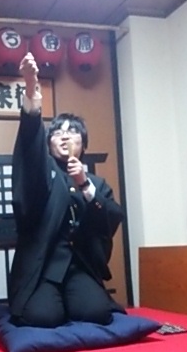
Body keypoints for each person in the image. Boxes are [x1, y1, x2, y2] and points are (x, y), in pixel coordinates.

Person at [8, 52, 125, 328]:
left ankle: (74, 299)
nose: (64, 136)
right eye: (57, 132)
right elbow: (31, 143)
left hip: (80, 265)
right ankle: (51, 300)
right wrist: (31, 91)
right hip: (44, 265)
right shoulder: (42, 170)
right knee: (42, 317)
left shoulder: (96, 183)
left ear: (83, 144)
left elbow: (110, 218)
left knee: (97, 313)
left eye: (72, 132)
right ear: (48, 143)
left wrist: (84, 184)